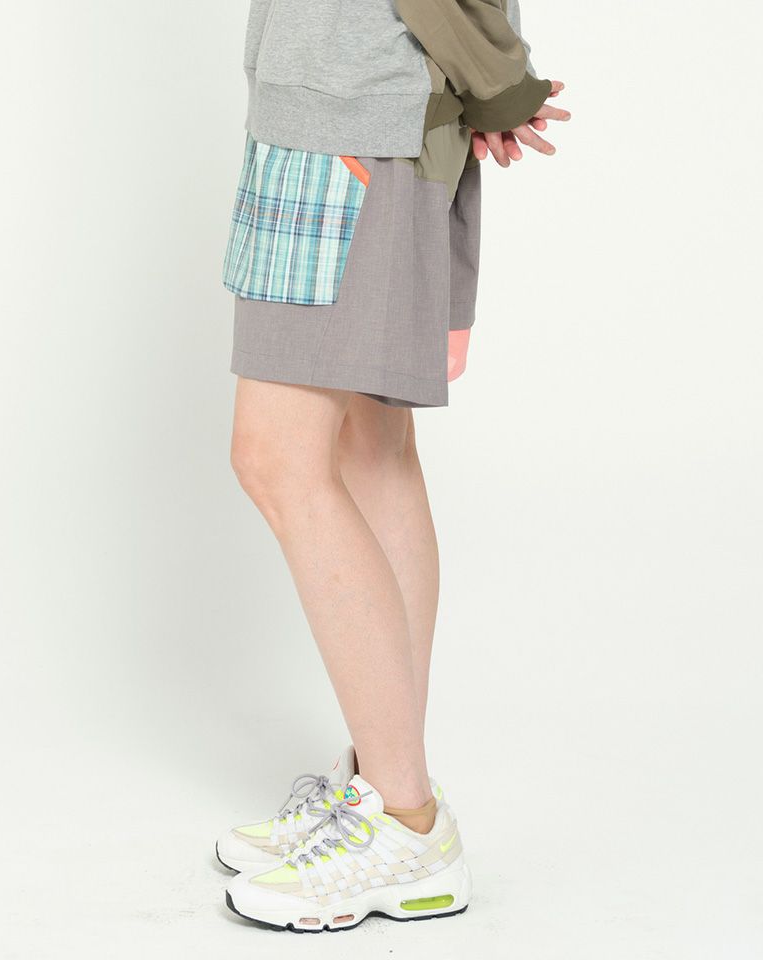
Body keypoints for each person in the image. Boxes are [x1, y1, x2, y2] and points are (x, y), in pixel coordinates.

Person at [216, 0, 570, 933]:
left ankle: (406, 824)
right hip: (352, 113)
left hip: (350, 122)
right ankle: (386, 782)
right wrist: (490, 83)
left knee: (277, 460)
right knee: (371, 450)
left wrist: (497, 78)